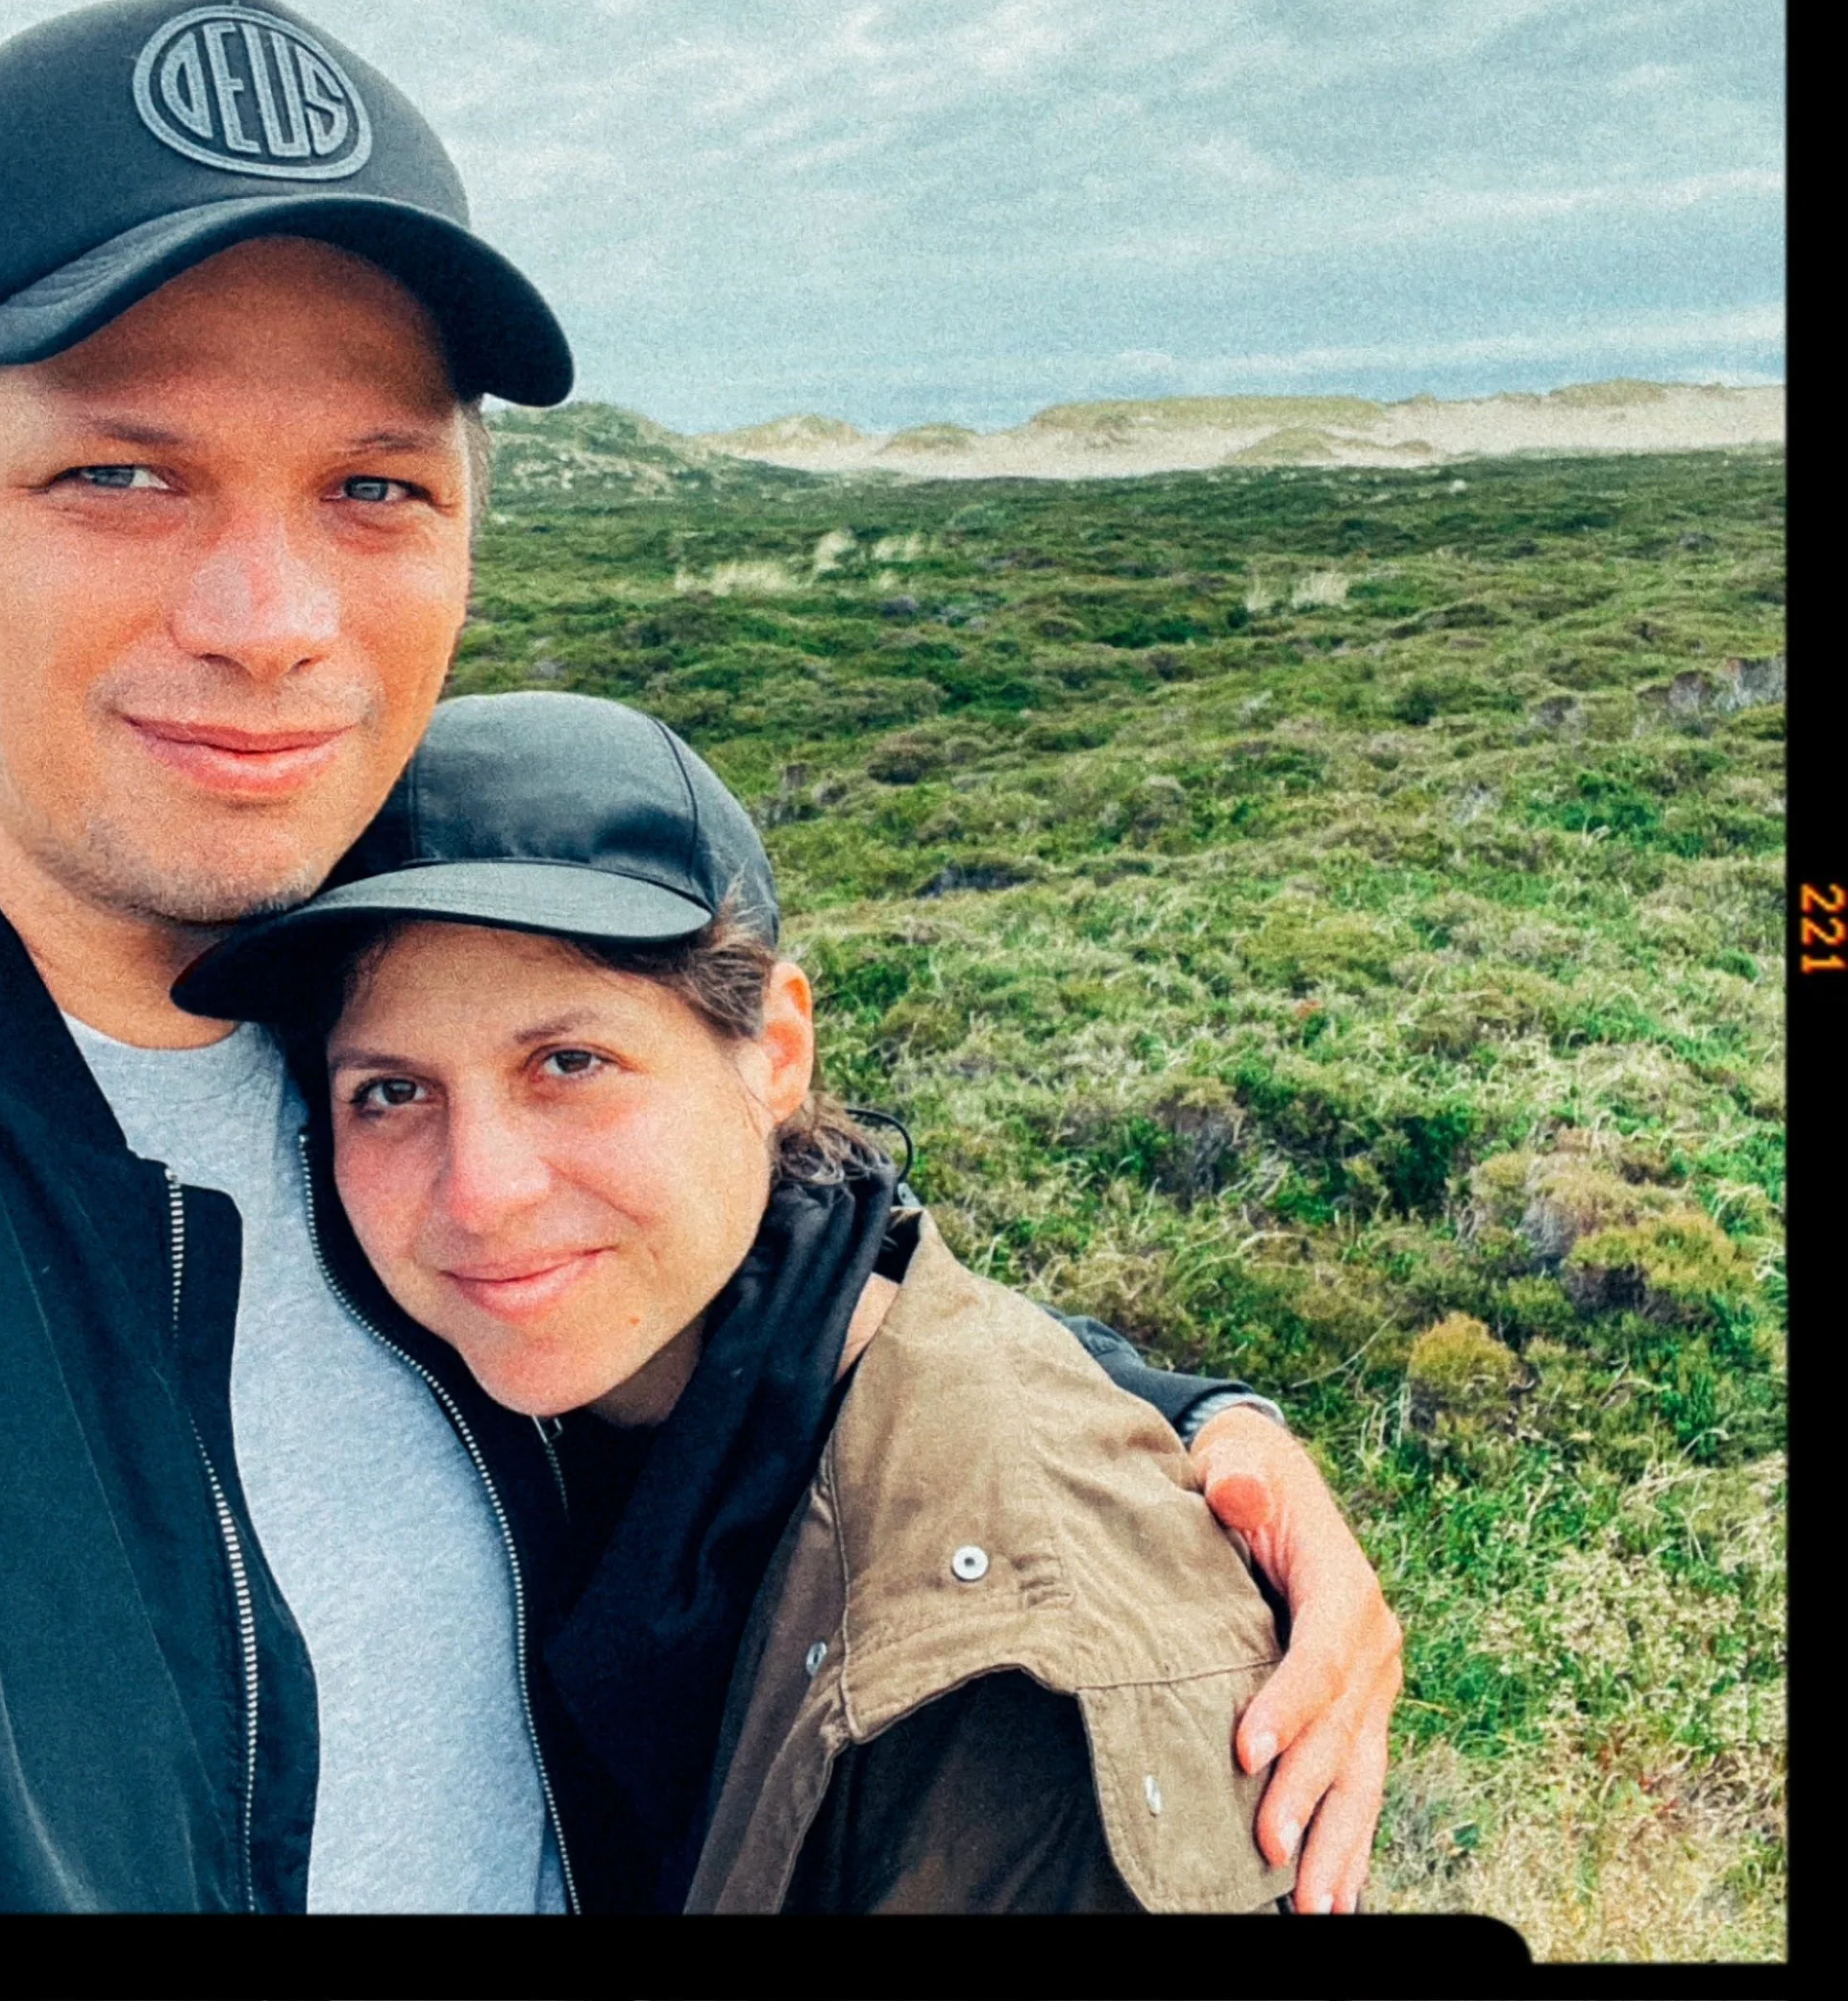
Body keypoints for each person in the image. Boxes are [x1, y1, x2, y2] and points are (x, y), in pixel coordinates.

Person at [0, 0, 1398, 1958]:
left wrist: (1164, 1424)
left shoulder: (390, 1001)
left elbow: (744, 1275)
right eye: (122, 475)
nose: (270, 619)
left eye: (372, 487)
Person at [178, 688, 1313, 1915]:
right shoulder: (533, 1386)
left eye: (569, 1063)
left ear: (773, 1051)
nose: (481, 1193)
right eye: (390, 1092)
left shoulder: (1001, 1666)